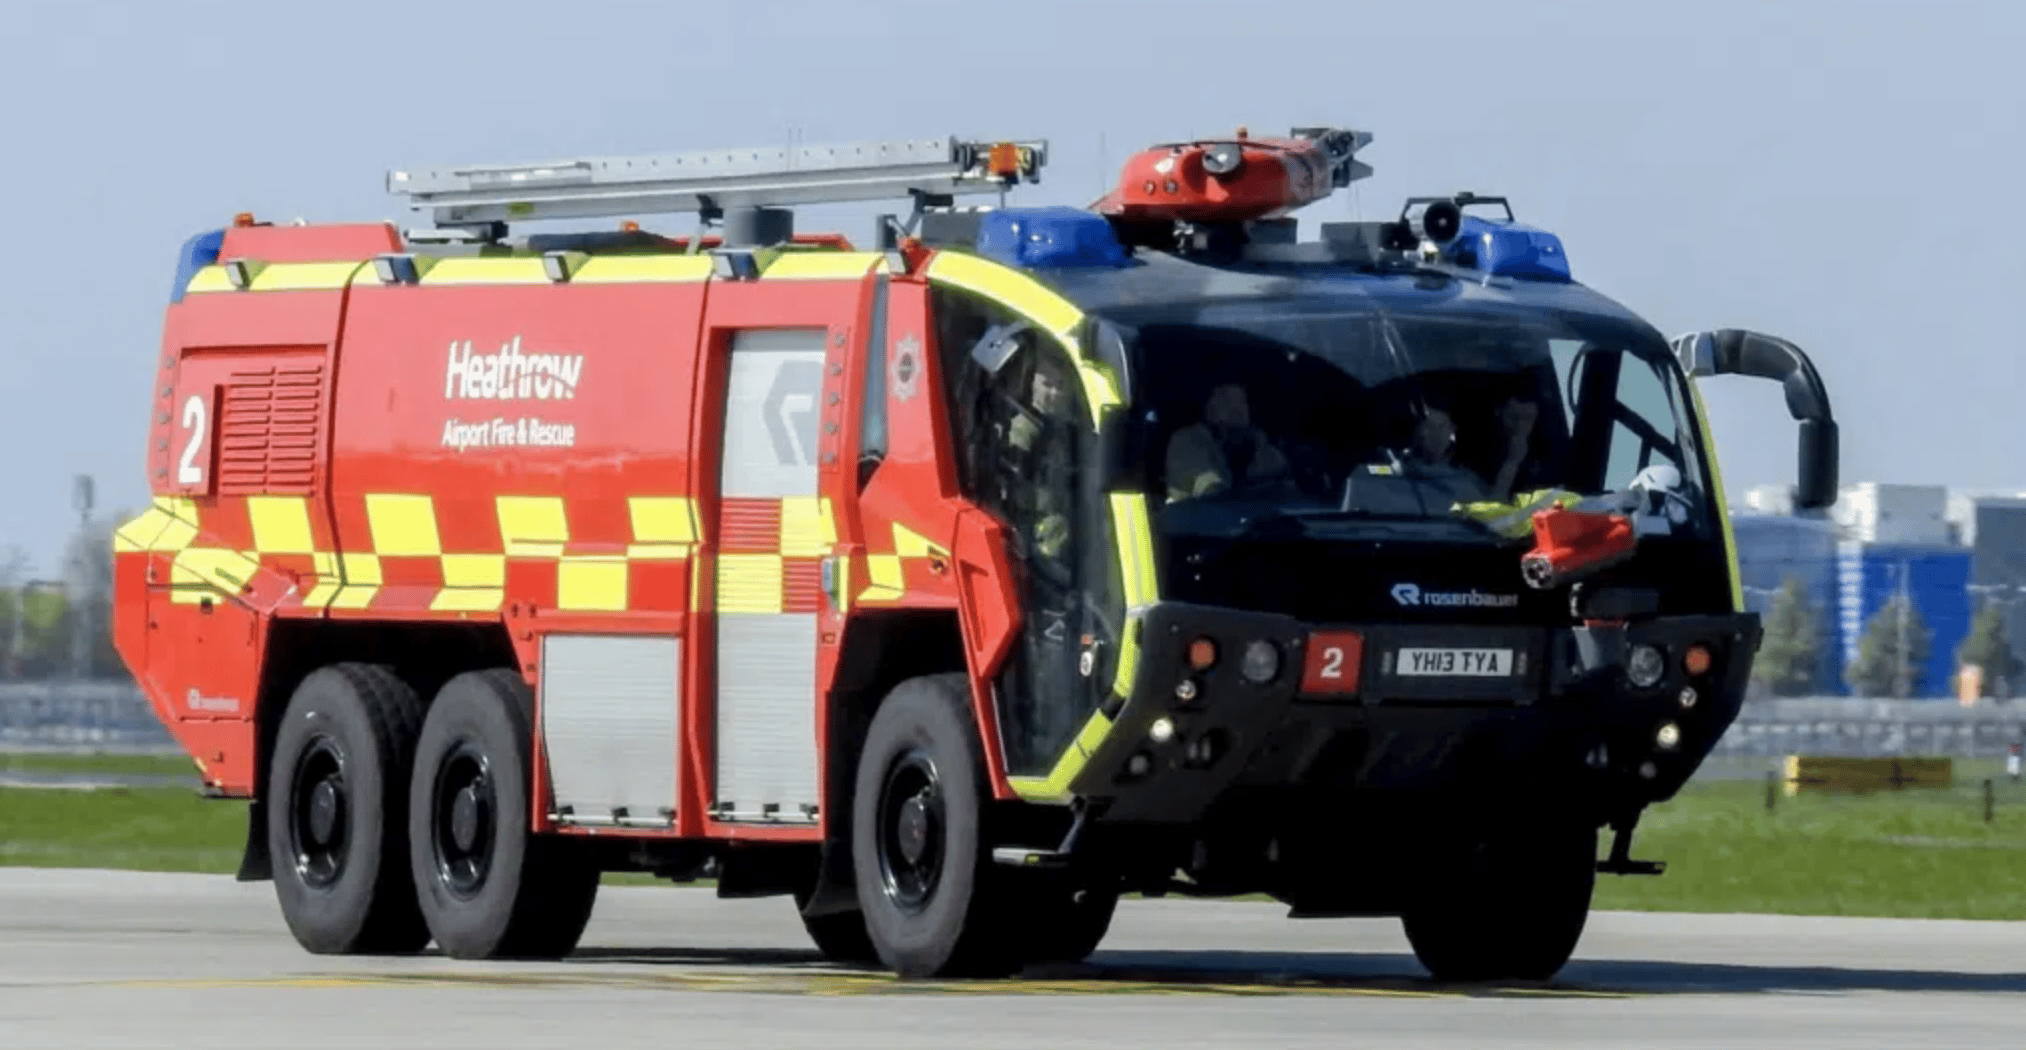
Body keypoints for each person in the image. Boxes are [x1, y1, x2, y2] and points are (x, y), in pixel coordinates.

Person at [1164, 383, 1290, 503]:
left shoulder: (1254, 437)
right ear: (1209, 405)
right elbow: (1207, 490)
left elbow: (1281, 478)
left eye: (1242, 400)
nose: (1237, 408)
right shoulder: (1186, 441)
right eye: (1225, 399)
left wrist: (1251, 451)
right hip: (1193, 520)